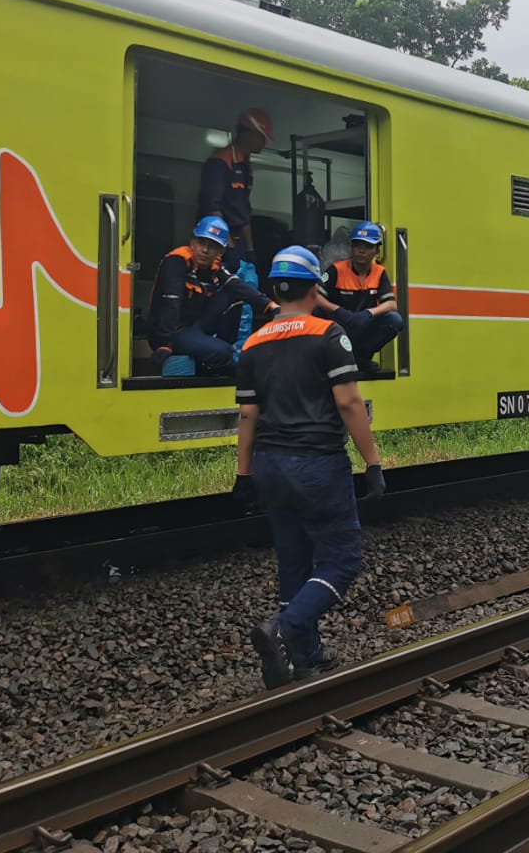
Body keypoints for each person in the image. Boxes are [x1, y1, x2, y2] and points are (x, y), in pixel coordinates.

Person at [233, 245, 386, 687]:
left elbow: (248, 415)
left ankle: (305, 656)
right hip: (317, 463)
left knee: (294, 560)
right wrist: (373, 462)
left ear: (275, 291)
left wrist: (243, 474)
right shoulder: (329, 334)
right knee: (342, 562)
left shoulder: (253, 343)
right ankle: (283, 629)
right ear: (315, 289)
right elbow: (349, 402)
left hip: (270, 466)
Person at [148, 216, 277, 374]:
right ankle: (212, 358)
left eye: (212, 246)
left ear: (220, 251)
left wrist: (272, 307)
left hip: (194, 327)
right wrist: (164, 343)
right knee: (223, 352)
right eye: (202, 243)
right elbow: (170, 303)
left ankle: (215, 349)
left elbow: (239, 286)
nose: (205, 250)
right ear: (192, 242)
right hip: (171, 332)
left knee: (233, 293)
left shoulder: (214, 268)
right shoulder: (177, 262)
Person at [317, 221, 403, 371]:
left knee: (394, 320)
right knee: (314, 312)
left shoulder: (379, 272)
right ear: (352, 248)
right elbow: (316, 297)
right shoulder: (336, 269)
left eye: (368, 246)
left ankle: (361, 357)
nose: (361, 251)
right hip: (338, 325)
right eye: (357, 245)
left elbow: (391, 304)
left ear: (377, 250)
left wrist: (368, 314)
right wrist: (337, 310)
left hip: (363, 325)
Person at [198, 107, 273, 273]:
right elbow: (211, 207)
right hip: (218, 242)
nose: (264, 143)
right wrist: (226, 243)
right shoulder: (221, 161)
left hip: (237, 243)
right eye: (263, 138)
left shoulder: (245, 165)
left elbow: (243, 211)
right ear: (250, 134)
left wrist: (250, 249)